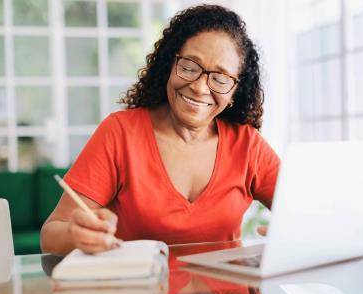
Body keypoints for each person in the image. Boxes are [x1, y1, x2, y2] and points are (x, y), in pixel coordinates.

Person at [40, 5, 280, 255]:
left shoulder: (248, 145)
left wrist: (291, 232)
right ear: (169, 64)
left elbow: (307, 217)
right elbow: (51, 234)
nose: (199, 87)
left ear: (234, 92)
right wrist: (76, 235)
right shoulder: (120, 133)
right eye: (189, 67)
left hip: (229, 293)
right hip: (140, 291)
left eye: (219, 79)